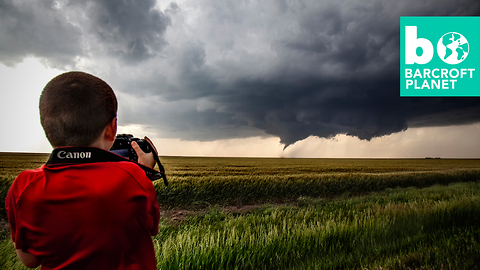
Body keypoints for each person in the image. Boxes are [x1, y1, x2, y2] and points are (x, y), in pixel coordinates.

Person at [5, 71, 160, 269]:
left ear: (47, 128)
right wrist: (143, 171)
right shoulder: (134, 176)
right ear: (112, 129)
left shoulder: (24, 186)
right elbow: (150, 229)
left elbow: (30, 261)